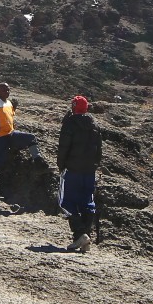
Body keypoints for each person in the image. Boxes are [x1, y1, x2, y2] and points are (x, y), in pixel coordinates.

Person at [56, 95, 103, 253]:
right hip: (89, 171)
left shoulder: (70, 123)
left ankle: (80, 233)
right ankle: (86, 239)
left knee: (65, 202)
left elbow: (63, 147)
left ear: (74, 107)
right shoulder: (95, 124)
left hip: (72, 169)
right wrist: (94, 165)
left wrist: (61, 165)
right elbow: (99, 150)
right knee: (87, 203)